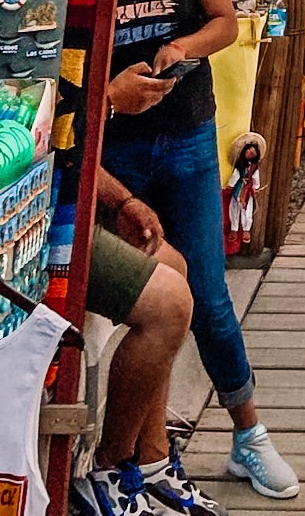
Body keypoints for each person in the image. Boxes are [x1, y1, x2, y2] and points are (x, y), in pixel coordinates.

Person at [103, 0, 299, 500]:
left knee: (209, 295)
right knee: (149, 297)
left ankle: (248, 431)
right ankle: (141, 457)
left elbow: (224, 23)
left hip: (184, 131)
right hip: (112, 150)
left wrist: (179, 48)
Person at [79, 196, 221, 516]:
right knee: (169, 307)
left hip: (78, 205)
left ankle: (152, 461)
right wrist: (124, 201)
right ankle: (111, 466)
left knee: (173, 264)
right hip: (59, 218)